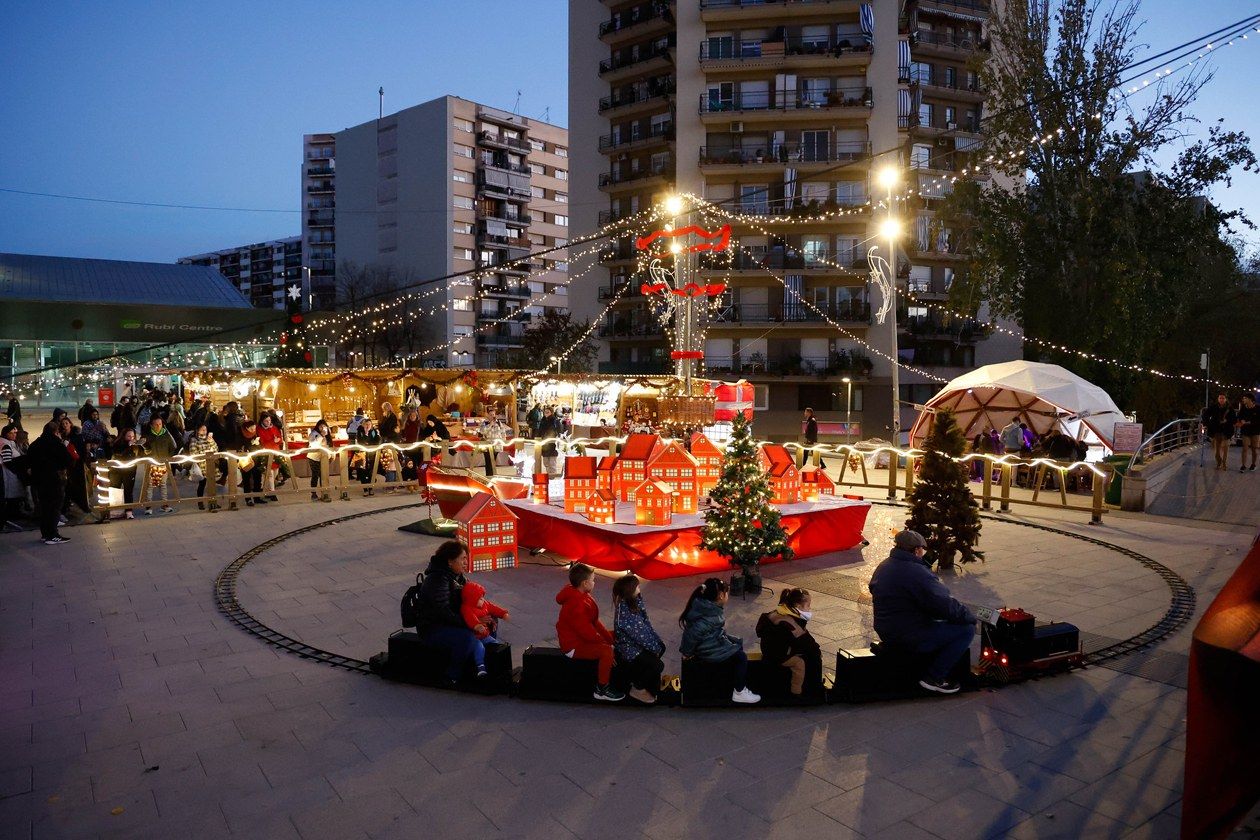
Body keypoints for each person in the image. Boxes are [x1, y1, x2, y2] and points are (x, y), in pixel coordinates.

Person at [868, 529, 976, 694]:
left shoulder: (884, 565)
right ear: (917, 550)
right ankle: (934, 677)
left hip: (886, 629)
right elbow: (943, 605)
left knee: (941, 623)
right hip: (908, 635)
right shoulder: (917, 572)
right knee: (966, 630)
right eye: (922, 549)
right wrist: (968, 616)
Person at [414, 540, 492, 683]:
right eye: (463, 558)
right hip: (433, 628)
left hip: (451, 622)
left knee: (489, 621)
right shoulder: (437, 579)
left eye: (466, 558)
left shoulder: (458, 577)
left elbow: (472, 601)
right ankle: (452, 675)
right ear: (450, 561)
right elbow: (442, 612)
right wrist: (471, 624)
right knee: (468, 637)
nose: (466, 562)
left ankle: (483, 664)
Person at [679, 577, 761, 704]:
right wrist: (687, 653)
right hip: (709, 649)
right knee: (741, 657)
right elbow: (691, 635)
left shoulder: (706, 606)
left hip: (711, 641)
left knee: (737, 643)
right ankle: (739, 691)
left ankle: (731, 680)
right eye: (726, 592)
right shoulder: (709, 616)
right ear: (721, 595)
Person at [556, 563, 625, 702]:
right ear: (585, 583)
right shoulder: (577, 604)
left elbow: (594, 622)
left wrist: (610, 639)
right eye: (593, 580)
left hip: (581, 639)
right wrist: (607, 645)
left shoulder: (580, 594)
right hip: (573, 646)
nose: (594, 583)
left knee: (616, 637)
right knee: (606, 652)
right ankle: (602, 689)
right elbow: (587, 633)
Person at [756, 587, 822, 699]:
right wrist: (816, 650)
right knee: (799, 663)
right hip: (778, 656)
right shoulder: (790, 622)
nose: (809, 608)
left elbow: (803, 636)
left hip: (770, 650)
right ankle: (796, 692)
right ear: (798, 606)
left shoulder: (781, 611)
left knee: (807, 651)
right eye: (808, 605)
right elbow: (804, 639)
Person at [611, 573, 664, 705]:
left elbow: (646, 625)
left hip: (635, 644)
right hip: (628, 649)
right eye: (637, 587)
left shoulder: (636, 602)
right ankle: (637, 687)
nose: (640, 590)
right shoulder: (626, 614)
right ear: (630, 591)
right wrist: (655, 647)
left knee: (659, 650)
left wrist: (657, 642)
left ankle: (648, 684)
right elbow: (641, 636)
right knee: (657, 664)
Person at [27, 421, 72, 544]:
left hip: (39, 480)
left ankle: (45, 534)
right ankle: (52, 534)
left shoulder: (35, 444)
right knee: (54, 507)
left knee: (44, 506)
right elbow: (67, 460)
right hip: (53, 479)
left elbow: (29, 460)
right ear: (56, 432)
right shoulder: (56, 443)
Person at [140, 416, 180, 514]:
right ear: (151, 425)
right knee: (149, 485)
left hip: (164, 463)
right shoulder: (147, 436)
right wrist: (143, 446)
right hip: (151, 464)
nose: (158, 426)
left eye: (160, 424)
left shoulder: (166, 434)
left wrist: (168, 458)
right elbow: (144, 452)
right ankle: (148, 506)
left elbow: (173, 447)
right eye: (156, 424)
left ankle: (164, 504)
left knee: (163, 484)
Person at [110, 428, 145, 519]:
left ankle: (129, 511)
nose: (131, 438)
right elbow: (118, 454)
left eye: (133, 436)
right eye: (129, 436)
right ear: (124, 436)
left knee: (128, 491)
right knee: (115, 489)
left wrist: (144, 445)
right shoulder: (117, 444)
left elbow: (143, 454)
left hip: (130, 471)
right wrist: (128, 446)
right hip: (116, 471)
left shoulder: (136, 446)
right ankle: (115, 511)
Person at [185, 424, 220, 510]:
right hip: (202, 465)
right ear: (198, 430)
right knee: (202, 484)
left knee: (212, 485)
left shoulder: (209, 439)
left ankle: (213, 501)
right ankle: (200, 502)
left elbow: (216, 449)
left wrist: (211, 441)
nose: (204, 431)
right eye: (202, 430)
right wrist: (205, 454)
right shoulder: (194, 440)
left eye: (205, 429)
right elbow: (193, 453)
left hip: (211, 465)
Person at [257, 412, 289, 500]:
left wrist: (277, 440)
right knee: (269, 473)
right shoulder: (259, 429)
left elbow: (279, 438)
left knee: (275, 472)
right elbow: (262, 442)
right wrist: (273, 441)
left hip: (276, 453)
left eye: (269, 420)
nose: (268, 422)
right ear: (262, 421)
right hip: (266, 454)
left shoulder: (274, 427)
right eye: (266, 421)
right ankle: (272, 492)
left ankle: (265, 489)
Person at [1202, 393, 1237, 471]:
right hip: (1216, 430)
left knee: (1225, 448)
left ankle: (1224, 463)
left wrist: (1227, 420)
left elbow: (1234, 419)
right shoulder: (1213, 407)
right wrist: (1206, 423)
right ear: (1218, 399)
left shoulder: (1230, 408)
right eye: (1220, 398)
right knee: (1216, 450)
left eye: (1223, 398)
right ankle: (1219, 462)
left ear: (1225, 399)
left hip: (1226, 430)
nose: (1221, 400)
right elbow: (1205, 414)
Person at [1, 423, 26, 528]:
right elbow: (7, 462)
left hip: (13, 473)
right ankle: (12, 514)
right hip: (10, 474)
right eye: (12, 433)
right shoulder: (5, 445)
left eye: (15, 433)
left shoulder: (10, 443)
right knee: (12, 495)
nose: (14, 435)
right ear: (7, 434)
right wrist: (17, 470)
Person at [238, 420, 265, 506]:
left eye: (254, 427)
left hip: (257, 459)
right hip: (247, 460)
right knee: (246, 480)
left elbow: (261, 444)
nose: (253, 429)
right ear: (246, 428)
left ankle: (257, 497)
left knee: (257, 478)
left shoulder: (256, 434)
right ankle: (248, 498)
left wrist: (258, 445)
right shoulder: (241, 435)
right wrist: (248, 447)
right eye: (251, 428)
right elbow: (239, 447)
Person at [307, 419, 332, 501]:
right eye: (321, 426)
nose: (322, 428)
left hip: (324, 458)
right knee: (315, 475)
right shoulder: (313, 434)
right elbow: (313, 444)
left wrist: (332, 454)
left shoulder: (328, 434)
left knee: (323, 475)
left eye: (324, 426)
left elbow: (330, 444)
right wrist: (321, 436)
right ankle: (313, 493)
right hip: (314, 458)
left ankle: (324, 492)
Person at [536, 407, 563, 477]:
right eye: (545, 412)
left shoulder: (555, 421)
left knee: (552, 461)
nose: (546, 413)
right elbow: (540, 430)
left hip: (552, 444)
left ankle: (552, 476)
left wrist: (559, 438)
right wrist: (538, 438)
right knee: (545, 462)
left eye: (548, 412)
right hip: (544, 444)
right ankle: (549, 474)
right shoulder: (543, 420)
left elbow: (559, 430)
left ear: (551, 412)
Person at [357, 417, 381, 496]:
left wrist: (378, 435)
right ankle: (365, 489)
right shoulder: (359, 432)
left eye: (369, 424)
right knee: (363, 472)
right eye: (366, 424)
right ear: (363, 425)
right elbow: (360, 441)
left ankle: (371, 488)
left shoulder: (374, 432)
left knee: (371, 472)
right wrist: (366, 434)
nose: (368, 426)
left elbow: (377, 441)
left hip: (371, 454)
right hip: (362, 454)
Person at [1238, 394, 1259, 472]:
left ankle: (1253, 464)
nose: (1243, 400)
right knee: (1245, 448)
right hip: (1245, 431)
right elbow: (1239, 416)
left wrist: (1250, 422)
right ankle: (1243, 465)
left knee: (1254, 449)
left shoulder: (1258, 408)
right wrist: (1241, 420)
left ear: (1250, 399)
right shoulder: (1243, 408)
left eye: (1245, 398)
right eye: (1243, 398)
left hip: (1255, 431)